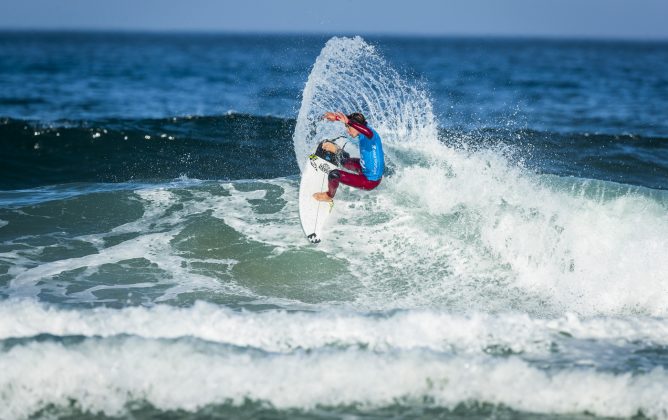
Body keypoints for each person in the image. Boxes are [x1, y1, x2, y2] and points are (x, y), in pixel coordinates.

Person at [313, 111, 385, 202]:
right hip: (364, 167)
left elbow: (366, 131)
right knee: (344, 161)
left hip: (370, 181)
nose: (347, 130)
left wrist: (348, 122)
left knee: (334, 175)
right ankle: (338, 151)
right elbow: (354, 122)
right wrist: (336, 118)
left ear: (357, 126)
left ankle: (328, 195)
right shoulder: (362, 129)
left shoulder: (370, 135)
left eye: (348, 128)